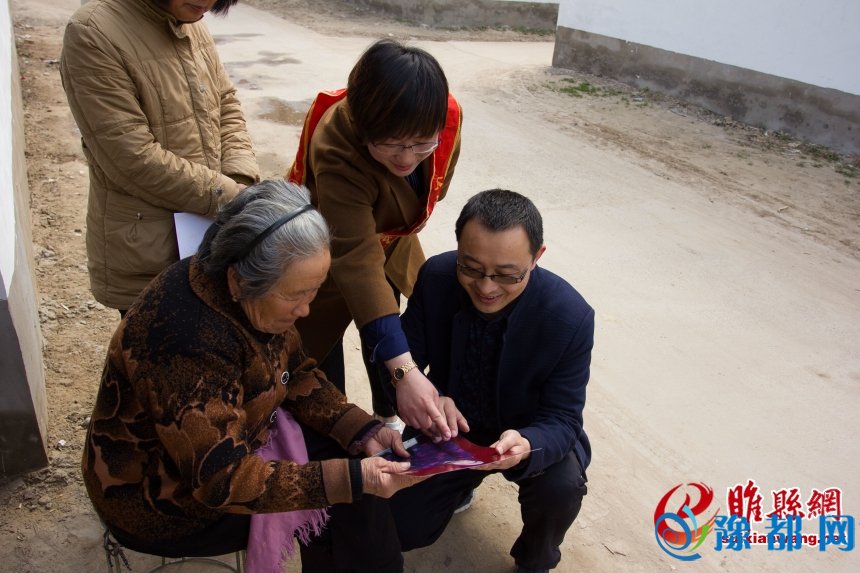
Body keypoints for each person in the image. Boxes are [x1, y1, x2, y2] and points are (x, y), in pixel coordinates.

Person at [82, 180, 421, 572]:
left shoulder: (247, 288)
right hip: (161, 501)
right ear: (238, 281)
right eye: (295, 296)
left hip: (231, 439)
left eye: (313, 292)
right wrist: (351, 481)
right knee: (351, 494)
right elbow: (220, 480)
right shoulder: (186, 341)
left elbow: (295, 372)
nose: (306, 311)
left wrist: (361, 428)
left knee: (356, 456)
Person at [388, 189, 594, 573]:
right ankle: (460, 485)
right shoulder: (436, 277)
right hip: (448, 430)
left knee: (561, 486)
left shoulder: (570, 317)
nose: (486, 287)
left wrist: (528, 443)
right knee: (393, 524)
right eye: (470, 268)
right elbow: (402, 361)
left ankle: (535, 559)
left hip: (527, 433)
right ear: (458, 248)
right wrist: (426, 393)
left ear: (537, 257)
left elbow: (564, 419)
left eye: (507, 274)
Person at [287, 39, 462, 434]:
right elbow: (355, 257)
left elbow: (432, 188)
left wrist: (403, 372)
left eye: (421, 144)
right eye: (390, 144)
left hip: (391, 242)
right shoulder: (337, 143)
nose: (407, 158)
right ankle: (341, 432)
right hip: (329, 250)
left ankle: (389, 415)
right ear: (362, 126)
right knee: (317, 360)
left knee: (389, 329)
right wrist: (405, 372)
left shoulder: (444, 118)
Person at [60, 0, 259, 314]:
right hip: (150, 254)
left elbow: (226, 105)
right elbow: (131, 157)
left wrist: (240, 178)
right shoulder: (93, 32)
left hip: (210, 240)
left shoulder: (190, 20)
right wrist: (231, 197)